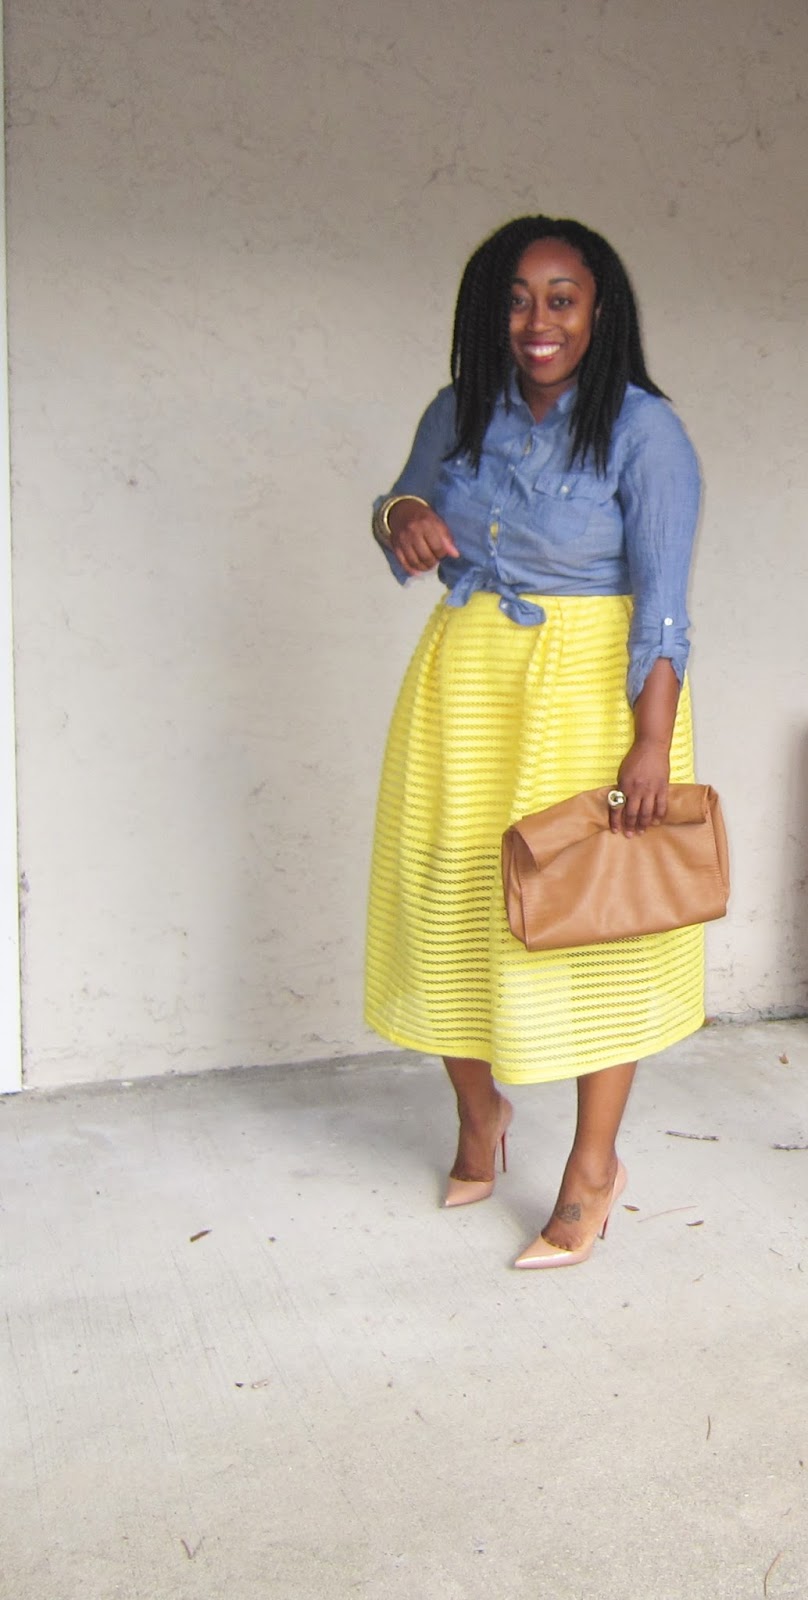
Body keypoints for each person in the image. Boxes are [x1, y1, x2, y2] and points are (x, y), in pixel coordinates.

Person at [365, 216, 703, 1270]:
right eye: (516, 297)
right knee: (454, 903)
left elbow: (662, 603)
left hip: (594, 700)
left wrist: (650, 743)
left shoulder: (644, 432)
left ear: (600, 311)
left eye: (562, 297)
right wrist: (403, 517)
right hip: (465, 685)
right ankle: (480, 1115)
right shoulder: (458, 408)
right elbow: (401, 499)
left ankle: (592, 1169)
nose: (537, 320)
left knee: (592, 928)